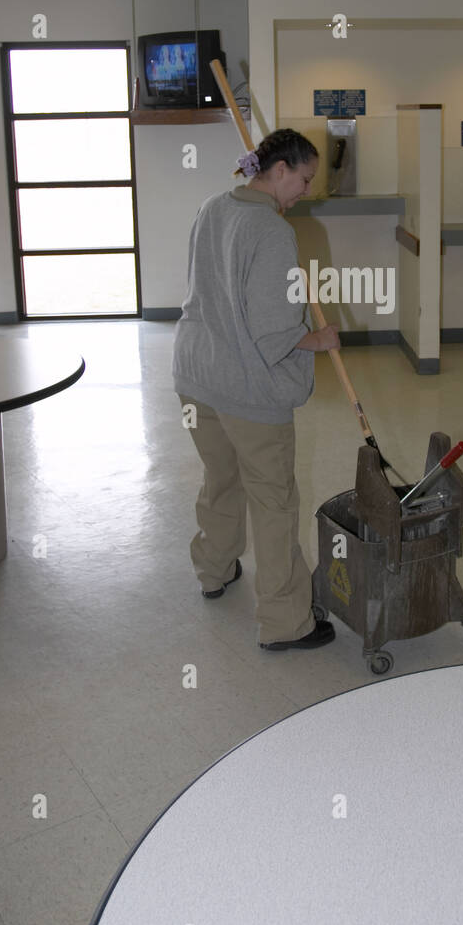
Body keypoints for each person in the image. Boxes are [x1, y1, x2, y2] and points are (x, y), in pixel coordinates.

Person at [172, 129, 340, 651]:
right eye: (304, 179)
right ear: (281, 169)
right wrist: (320, 338)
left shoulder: (213, 207)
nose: (305, 191)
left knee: (221, 478)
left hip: (197, 375)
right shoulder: (270, 231)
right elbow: (274, 332)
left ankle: (214, 570)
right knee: (273, 500)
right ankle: (287, 623)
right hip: (246, 388)